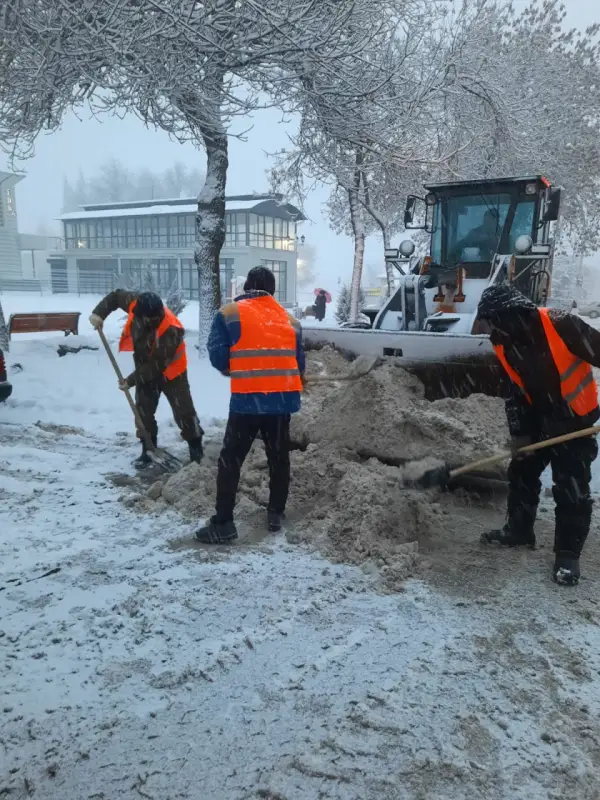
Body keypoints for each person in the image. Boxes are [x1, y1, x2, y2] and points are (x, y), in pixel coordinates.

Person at [476, 283, 600, 586]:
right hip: (539, 423)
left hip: (575, 423)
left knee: (570, 484)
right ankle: (519, 530)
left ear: (512, 314)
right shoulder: (503, 342)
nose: (493, 329)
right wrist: (521, 435)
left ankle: (568, 555)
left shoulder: (559, 323)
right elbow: (513, 391)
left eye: (495, 321)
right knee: (521, 471)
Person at [196, 266, 305, 544]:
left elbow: (218, 355)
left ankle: (223, 524)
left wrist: (238, 367)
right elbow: (299, 365)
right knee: (279, 459)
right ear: (273, 290)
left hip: (247, 402)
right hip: (280, 403)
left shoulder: (229, 314)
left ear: (246, 286)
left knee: (231, 461)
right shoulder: (290, 321)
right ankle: (275, 514)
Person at [89, 290, 204, 468]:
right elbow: (116, 296)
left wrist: (130, 380)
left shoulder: (170, 329)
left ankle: (196, 447)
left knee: (184, 411)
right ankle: (148, 448)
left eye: (155, 318)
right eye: (148, 319)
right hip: (145, 366)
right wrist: (99, 314)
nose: (152, 321)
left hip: (173, 372)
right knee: (143, 410)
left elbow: (156, 366)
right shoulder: (135, 303)